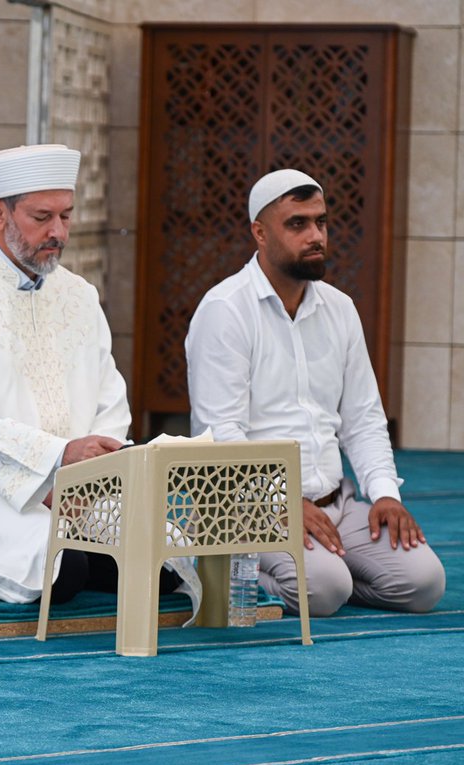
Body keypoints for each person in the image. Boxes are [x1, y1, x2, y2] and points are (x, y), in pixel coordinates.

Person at [0, 144, 185, 605]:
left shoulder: (79, 295)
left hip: (80, 491)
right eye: (42, 217)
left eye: (66, 216)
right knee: (62, 568)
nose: (58, 232)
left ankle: (49, 550)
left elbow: (110, 401)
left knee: (165, 558)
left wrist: (90, 477)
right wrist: (57, 463)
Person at [186, 168, 446, 616]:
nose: (315, 236)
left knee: (424, 583)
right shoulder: (225, 311)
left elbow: (363, 418)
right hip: (250, 508)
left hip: (336, 505)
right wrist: (283, 504)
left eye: (320, 222)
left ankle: (331, 576)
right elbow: (221, 436)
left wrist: (385, 495)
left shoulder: (340, 309)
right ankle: (205, 566)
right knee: (323, 590)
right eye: (297, 224)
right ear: (260, 233)